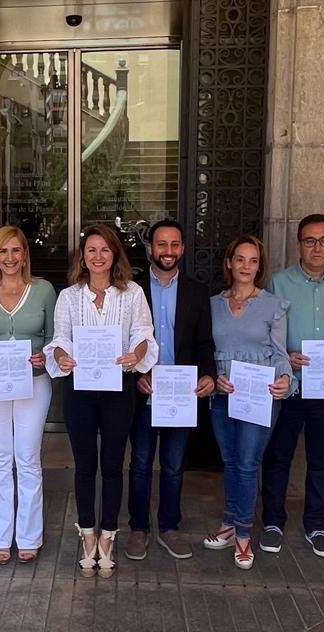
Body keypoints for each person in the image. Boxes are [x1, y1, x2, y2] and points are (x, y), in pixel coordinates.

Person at [45, 223, 157, 578]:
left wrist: (134, 354)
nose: (98, 256)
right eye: (91, 250)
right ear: (83, 257)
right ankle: (87, 534)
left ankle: (109, 534)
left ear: (114, 255)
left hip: (118, 389)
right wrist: (62, 356)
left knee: (112, 465)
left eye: (105, 250)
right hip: (79, 390)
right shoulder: (68, 296)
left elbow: (143, 334)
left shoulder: (132, 293)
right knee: (84, 465)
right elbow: (60, 337)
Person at [260, 214, 324, 558]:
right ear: (299, 244)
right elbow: (265, 335)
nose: (317, 247)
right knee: (277, 457)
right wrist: (288, 357)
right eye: (310, 241)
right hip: (290, 385)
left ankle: (316, 524)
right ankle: (272, 522)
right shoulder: (277, 284)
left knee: (323, 460)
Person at [125, 219, 216, 562]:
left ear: (183, 249)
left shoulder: (196, 290)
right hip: (144, 388)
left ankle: (169, 527)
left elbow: (205, 342)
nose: (168, 251)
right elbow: (124, 342)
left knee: (174, 465)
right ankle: (138, 528)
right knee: (141, 462)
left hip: (181, 393)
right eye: (161, 244)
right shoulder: (131, 290)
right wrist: (135, 373)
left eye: (174, 244)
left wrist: (208, 374)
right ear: (150, 248)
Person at [203, 235, 293, 570]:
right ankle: (229, 522)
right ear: (229, 263)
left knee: (247, 462)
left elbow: (281, 355)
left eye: (253, 261)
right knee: (229, 461)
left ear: (260, 266)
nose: (246, 267)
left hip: (259, 396)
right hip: (223, 395)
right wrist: (213, 375)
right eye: (239, 259)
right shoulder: (212, 304)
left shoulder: (273, 305)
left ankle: (243, 534)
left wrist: (286, 380)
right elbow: (206, 350)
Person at [0, 226, 57, 565]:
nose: (10, 258)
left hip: (33, 383)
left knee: (29, 458)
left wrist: (44, 356)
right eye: (3, 252)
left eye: (16, 251)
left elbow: (54, 338)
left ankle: (30, 536)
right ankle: (1, 536)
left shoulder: (44, 290)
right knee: (0, 459)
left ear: (25, 255)